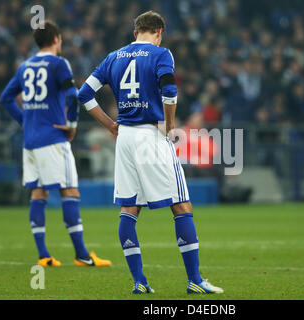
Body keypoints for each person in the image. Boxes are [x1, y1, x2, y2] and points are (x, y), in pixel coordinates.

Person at [78, 11, 223, 294]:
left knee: (129, 209)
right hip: (151, 134)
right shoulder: (161, 54)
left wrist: (110, 125)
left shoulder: (113, 57)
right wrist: (169, 125)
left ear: (135, 33)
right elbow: (170, 92)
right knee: (181, 205)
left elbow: (83, 94)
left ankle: (139, 281)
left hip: (125, 139)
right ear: (159, 32)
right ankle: (194, 280)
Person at [0, 21, 111, 267]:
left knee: (38, 192)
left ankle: (43, 255)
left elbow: (5, 98)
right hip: (52, 139)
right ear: (57, 39)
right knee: (70, 190)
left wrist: (25, 121)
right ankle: (81, 255)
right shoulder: (60, 64)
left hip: (30, 142)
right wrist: (71, 125)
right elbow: (72, 95)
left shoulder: (25, 66)